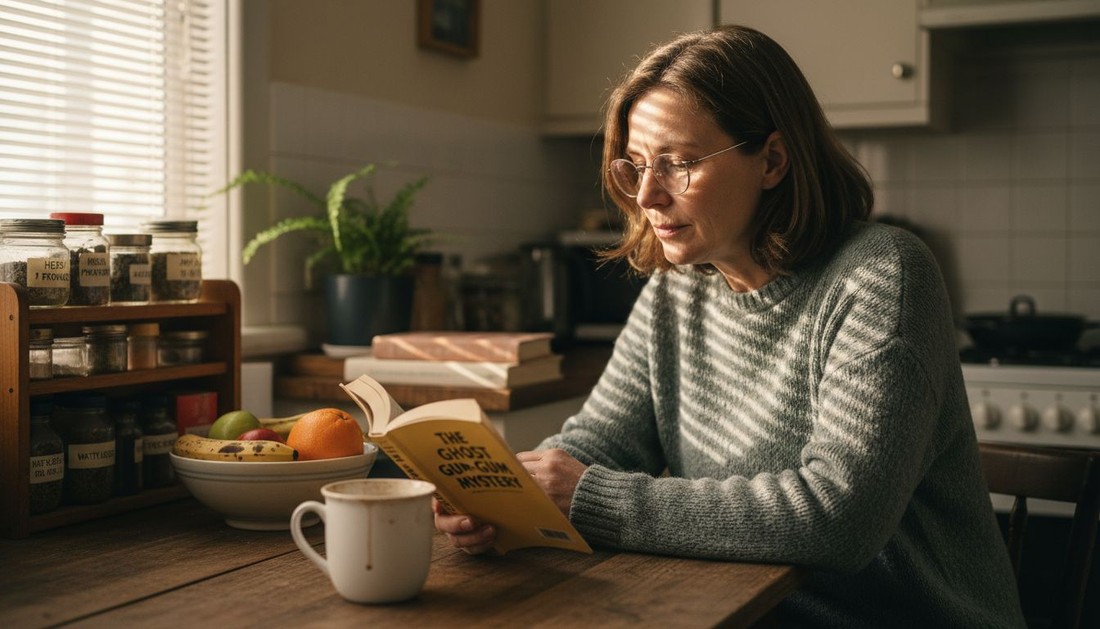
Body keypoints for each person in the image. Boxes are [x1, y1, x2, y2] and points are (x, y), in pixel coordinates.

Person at [434, 25, 1026, 628]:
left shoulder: (881, 276)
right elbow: (600, 443)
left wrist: (586, 498)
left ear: (772, 160)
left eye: (679, 163)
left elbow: (838, 519)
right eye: (635, 166)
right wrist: (507, 496)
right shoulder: (675, 290)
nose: (647, 196)